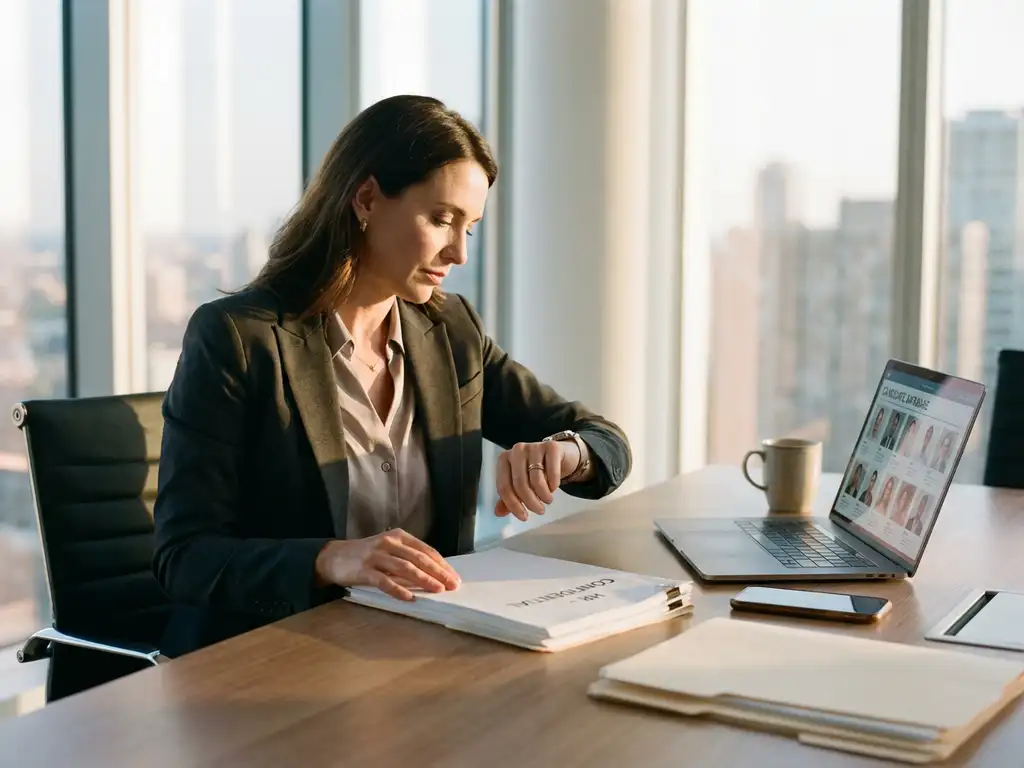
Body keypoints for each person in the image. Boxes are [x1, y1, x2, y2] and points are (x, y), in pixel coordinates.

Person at [151, 95, 632, 658]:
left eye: (470, 228)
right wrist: (331, 559)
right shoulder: (238, 338)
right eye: (442, 219)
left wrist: (566, 452)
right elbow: (184, 557)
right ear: (366, 199)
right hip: (275, 660)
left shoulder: (451, 331)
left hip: (420, 651)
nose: (458, 253)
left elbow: (607, 442)